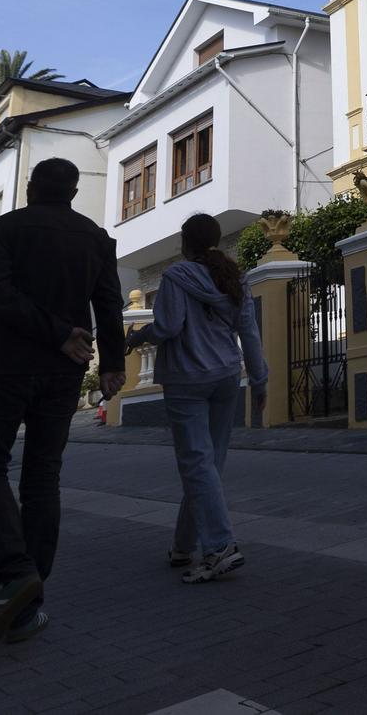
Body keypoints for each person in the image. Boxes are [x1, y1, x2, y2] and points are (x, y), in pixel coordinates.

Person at [0, 157, 125, 651]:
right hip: (66, 369)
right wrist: (113, 363)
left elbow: (0, 294)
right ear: (74, 192)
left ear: (32, 188)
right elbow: (109, 302)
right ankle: (28, 601)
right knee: (42, 474)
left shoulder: (4, 228)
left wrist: (54, 335)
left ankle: (14, 575)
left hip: (8, 364)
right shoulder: (95, 237)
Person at [125, 212, 267, 584]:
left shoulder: (176, 276)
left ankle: (220, 547)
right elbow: (248, 330)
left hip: (187, 379)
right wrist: (260, 379)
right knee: (208, 464)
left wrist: (138, 337)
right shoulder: (234, 277)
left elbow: (168, 327)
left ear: (184, 244)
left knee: (196, 464)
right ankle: (183, 546)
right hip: (225, 377)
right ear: (216, 240)